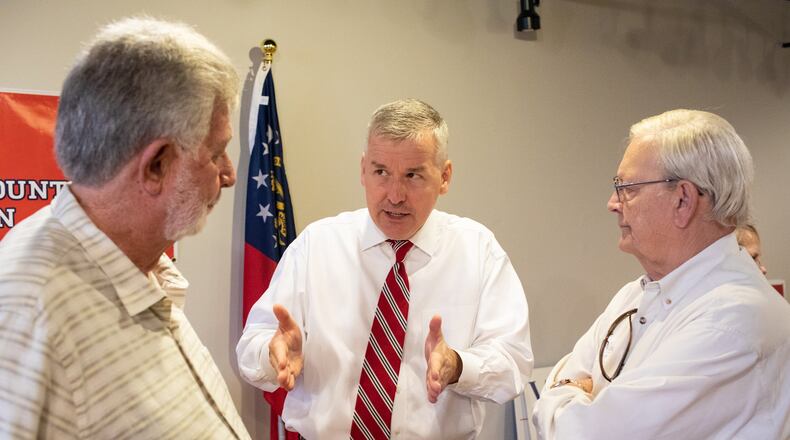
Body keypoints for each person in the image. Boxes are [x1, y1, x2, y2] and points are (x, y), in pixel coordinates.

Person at [0, 17, 250, 439]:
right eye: (217, 152)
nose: (228, 175)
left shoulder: (136, 262)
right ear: (156, 165)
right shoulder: (31, 318)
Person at [237, 98, 533, 439]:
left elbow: (513, 363)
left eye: (413, 175)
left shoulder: (479, 251)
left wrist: (458, 366)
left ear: (445, 176)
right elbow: (251, 347)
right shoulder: (317, 245)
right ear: (363, 170)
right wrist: (271, 354)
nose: (395, 195)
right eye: (381, 173)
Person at [533, 109, 790, 439]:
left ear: (683, 200)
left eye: (627, 188)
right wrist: (576, 394)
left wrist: (566, 393)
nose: (613, 203)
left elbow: (584, 434)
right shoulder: (635, 294)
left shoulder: (733, 321)